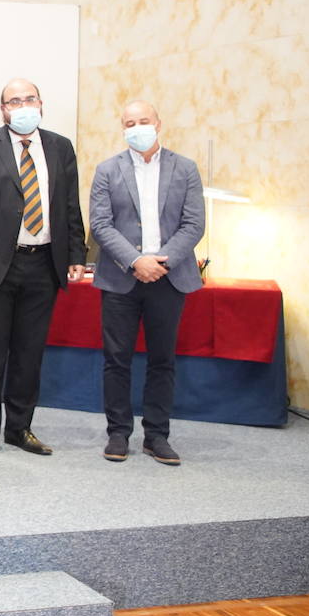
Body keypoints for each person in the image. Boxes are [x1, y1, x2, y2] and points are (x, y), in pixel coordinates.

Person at [0, 78, 86, 459]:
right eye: (14, 101)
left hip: (44, 264)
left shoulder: (60, 147)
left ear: (41, 104)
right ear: (3, 109)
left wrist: (77, 252)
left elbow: (69, 206)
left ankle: (20, 428)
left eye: (28, 99)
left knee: (30, 353)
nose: (22, 106)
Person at [89, 100, 204, 465]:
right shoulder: (107, 170)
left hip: (169, 278)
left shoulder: (185, 168)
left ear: (159, 123)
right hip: (121, 277)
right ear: (122, 128)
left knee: (162, 360)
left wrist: (160, 262)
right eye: (129, 123)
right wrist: (136, 260)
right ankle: (118, 433)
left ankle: (157, 435)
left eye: (143, 121)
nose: (137, 127)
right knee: (116, 360)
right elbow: (101, 224)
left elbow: (194, 224)